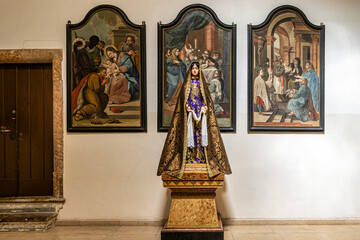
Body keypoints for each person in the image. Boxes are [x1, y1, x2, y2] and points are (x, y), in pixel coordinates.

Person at [157, 62, 232, 179]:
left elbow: (205, 98)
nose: (195, 70)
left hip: (200, 113)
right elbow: (184, 99)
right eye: (193, 68)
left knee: (200, 135)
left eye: (197, 68)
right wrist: (187, 106)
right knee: (189, 134)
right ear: (190, 70)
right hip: (190, 113)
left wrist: (204, 106)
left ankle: (200, 157)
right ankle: (189, 158)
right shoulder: (187, 84)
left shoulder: (202, 84)